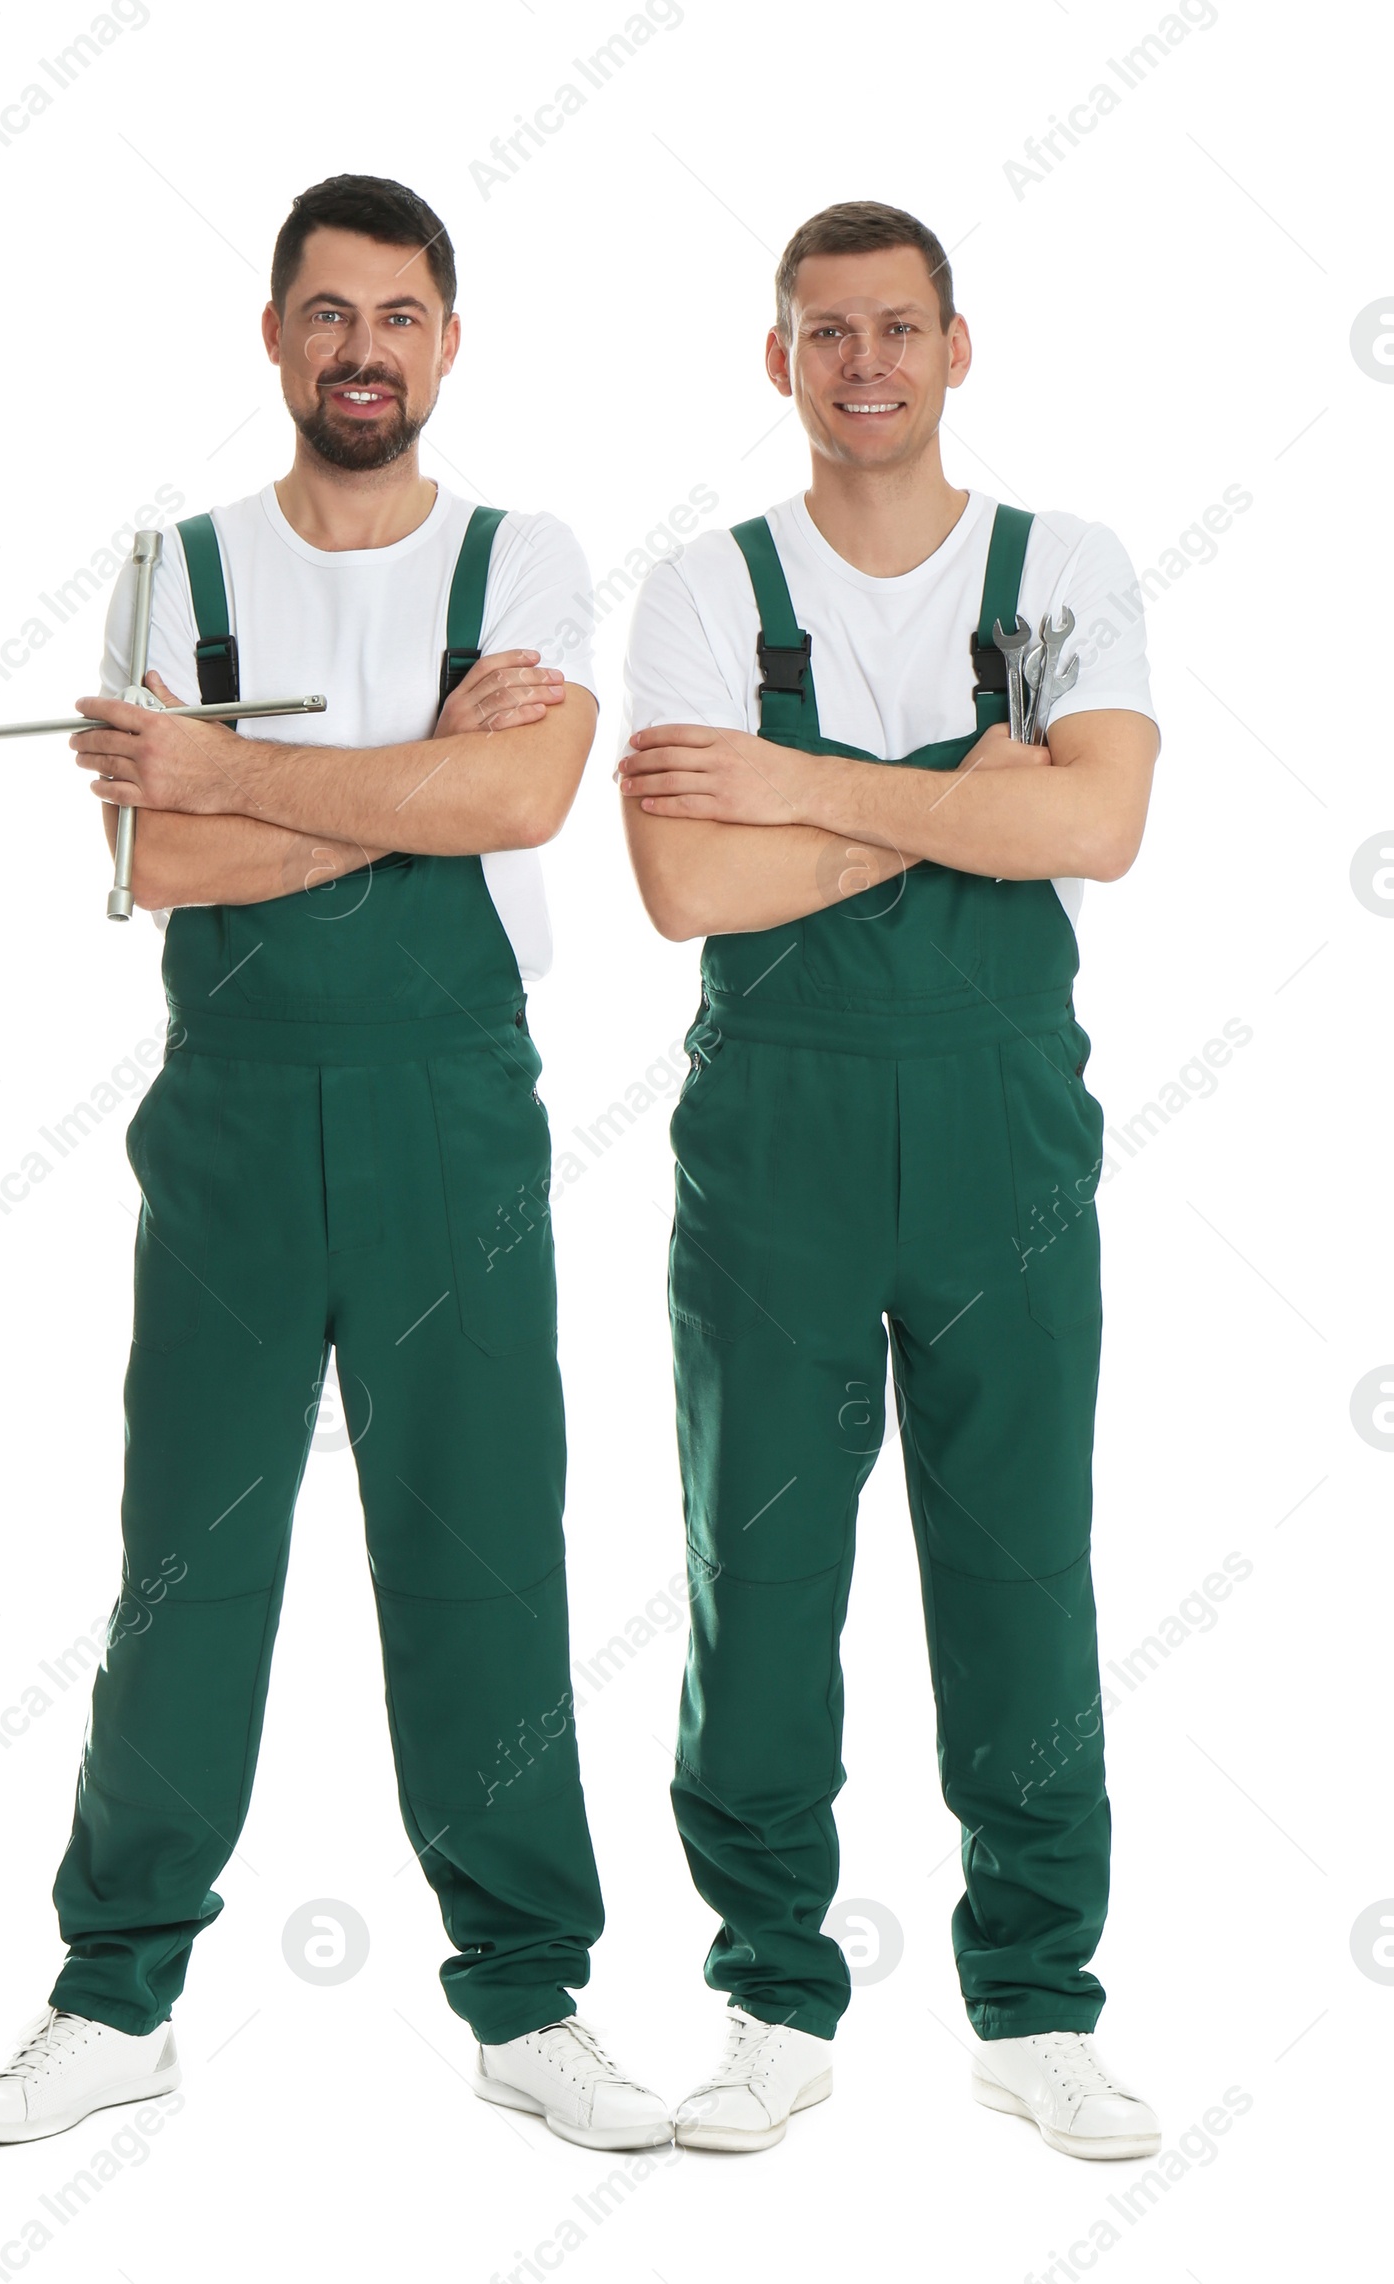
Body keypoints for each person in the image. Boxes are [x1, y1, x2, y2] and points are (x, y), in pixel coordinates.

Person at [0, 172, 668, 2154]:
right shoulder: (178, 569)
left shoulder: (524, 553)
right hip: (236, 1118)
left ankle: (528, 1999)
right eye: (328, 312)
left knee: (482, 1549)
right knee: (189, 1559)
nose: (364, 347)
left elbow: (517, 788)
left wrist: (243, 768)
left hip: (454, 1109)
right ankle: (116, 1993)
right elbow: (156, 863)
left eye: (400, 313)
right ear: (275, 337)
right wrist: (399, 778)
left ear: (448, 340)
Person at [618, 199, 1163, 2160]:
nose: (864, 361)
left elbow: (1094, 820)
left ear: (954, 348)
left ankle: (1034, 2003)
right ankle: (769, 1990)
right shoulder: (702, 589)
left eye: (898, 328)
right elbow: (687, 883)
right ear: (778, 360)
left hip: (1004, 1135)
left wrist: (809, 787)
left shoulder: (1063, 566)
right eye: (824, 330)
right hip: (773, 1142)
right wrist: (961, 809)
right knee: (753, 1574)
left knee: (1016, 1565)